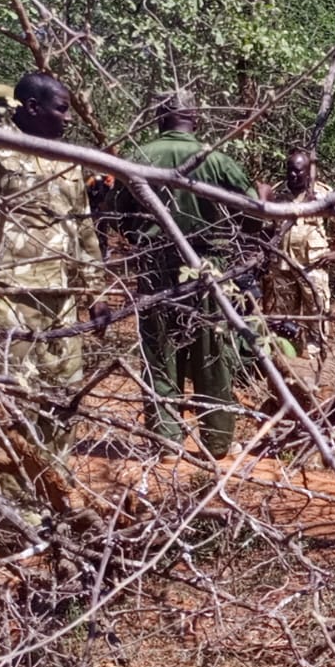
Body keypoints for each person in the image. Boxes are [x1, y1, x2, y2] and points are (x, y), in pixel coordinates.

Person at [0, 72, 109, 494]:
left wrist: (96, 291)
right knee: (7, 403)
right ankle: (15, 506)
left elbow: (83, 229)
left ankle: (58, 491)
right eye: (61, 108)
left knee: (61, 398)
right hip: (2, 301)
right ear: (31, 107)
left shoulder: (67, 160)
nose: (69, 118)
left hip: (61, 304)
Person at [125, 90, 259, 460]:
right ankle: (217, 443)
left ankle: (167, 442)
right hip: (210, 268)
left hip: (154, 266)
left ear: (158, 118)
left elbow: (115, 215)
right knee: (212, 353)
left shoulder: (138, 156)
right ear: (195, 118)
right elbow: (255, 211)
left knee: (159, 353)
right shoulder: (216, 159)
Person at [263, 148, 335, 354]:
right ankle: (288, 355)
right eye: (290, 170)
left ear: (308, 172)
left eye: (298, 171)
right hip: (282, 264)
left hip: (313, 264)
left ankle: (316, 354)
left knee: (317, 309)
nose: (293, 175)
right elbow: (267, 227)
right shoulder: (277, 194)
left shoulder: (323, 194)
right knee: (284, 314)